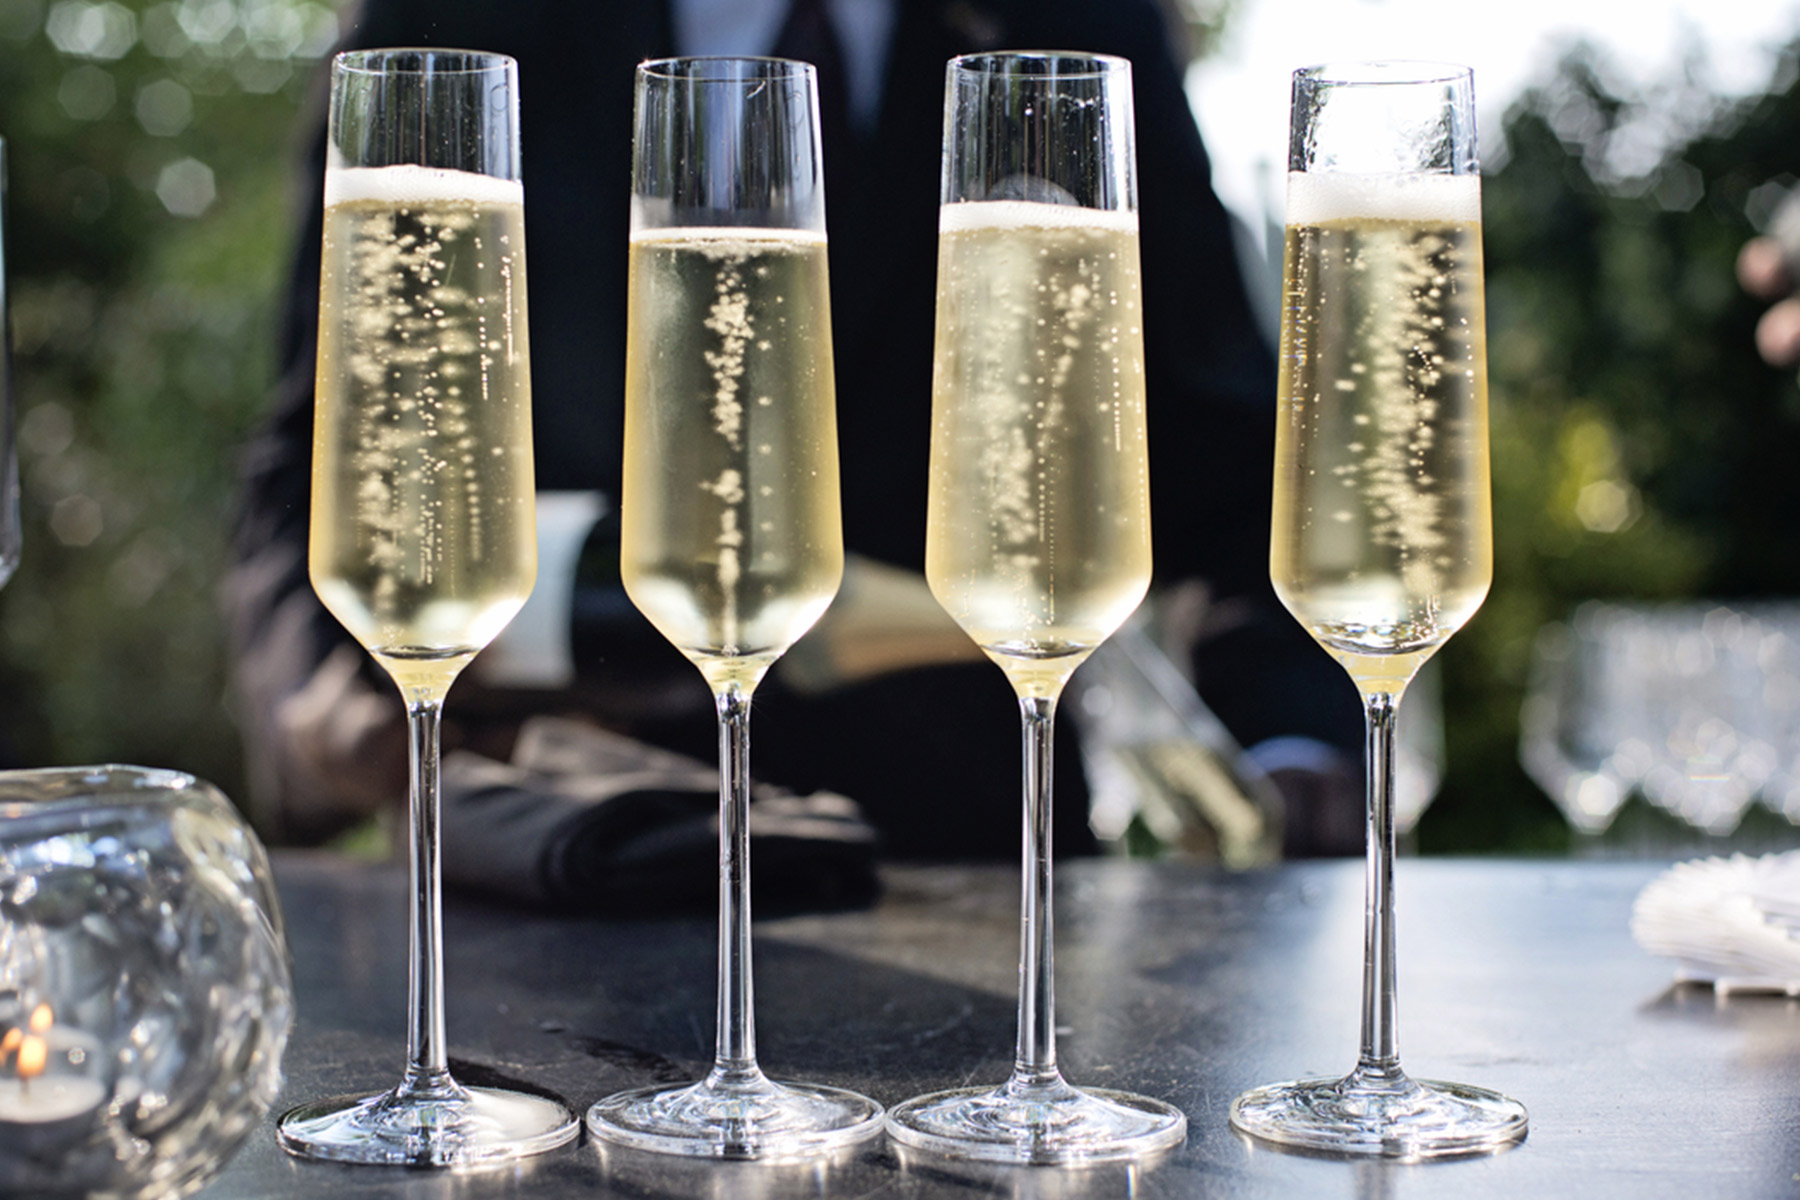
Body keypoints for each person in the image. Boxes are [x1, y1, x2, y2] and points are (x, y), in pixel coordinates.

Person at [224, 0, 1365, 876]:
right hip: (563, 868)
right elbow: (319, 453)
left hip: (976, 896)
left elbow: (1219, 441)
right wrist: (315, 716)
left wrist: (1292, 746)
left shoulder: (1075, 22)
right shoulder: (455, 16)